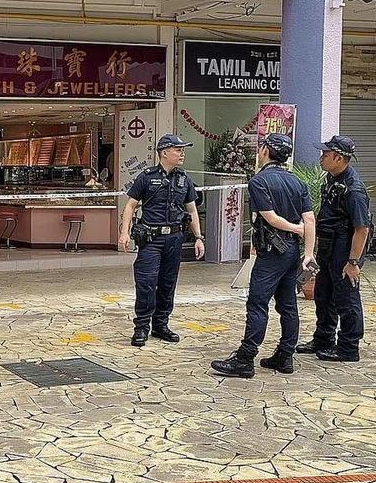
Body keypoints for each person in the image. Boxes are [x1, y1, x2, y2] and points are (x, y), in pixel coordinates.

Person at [211, 134, 316, 378]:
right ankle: (285, 355)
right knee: (288, 305)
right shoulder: (296, 182)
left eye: (261, 147)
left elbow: (270, 217)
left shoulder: (259, 181)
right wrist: (308, 253)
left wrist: (295, 228)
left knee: (257, 304)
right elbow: (310, 219)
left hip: (272, 253)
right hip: (291, 252)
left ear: (267, 150)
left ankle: (245, 359)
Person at [119, 134, 206, 347]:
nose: (182, 153)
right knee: (147, 283)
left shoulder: (184, 178)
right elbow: (130, 206)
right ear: (164, 152)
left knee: (168, 284)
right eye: (178, 149)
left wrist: (198, 237)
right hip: (151, 239)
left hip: (174, 239)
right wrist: (124, 232)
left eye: (182, 149)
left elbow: (192, 210)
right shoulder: (147, 177)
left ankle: (161, 324)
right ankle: (141, 328)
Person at [296, 135, 371, 362]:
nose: (321, 158)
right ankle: (324, 338)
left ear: (339, 158)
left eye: (325, 155)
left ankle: (348, 347)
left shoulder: (354, 189)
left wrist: (353, 263)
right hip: (328, 247)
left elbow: (362, 229)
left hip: (344, 249)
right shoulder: (332, 179)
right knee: (323, 295)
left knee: (346, 298)